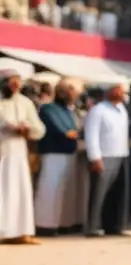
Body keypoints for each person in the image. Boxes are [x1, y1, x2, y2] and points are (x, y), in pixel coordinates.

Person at [0, 70, 46, 244]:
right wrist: (7, 127)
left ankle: (21, 232)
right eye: (12, 82)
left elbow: (39, 128)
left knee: (20, 190)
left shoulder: (25, 102)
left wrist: (28, 130)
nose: (16, 85)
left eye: (18, 82)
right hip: (3, 150)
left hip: (19, 152)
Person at [83, 81, 131, 237]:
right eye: (119, 90)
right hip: (103, 156)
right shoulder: (98, 110)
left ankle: (115, 226)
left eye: (123, 90)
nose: (122, 93)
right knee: (99, 193)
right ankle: (93, 227)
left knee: (117, 194)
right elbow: (91, 135)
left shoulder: (122, 110)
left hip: (121, 155)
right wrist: (95, 157)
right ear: (109, 91)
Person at [35, 79, 83, 236]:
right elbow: (65, 132)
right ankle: (44, 224)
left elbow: (74, 131)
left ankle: (63, 224)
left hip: (68, 154)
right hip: (53, 155)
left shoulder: (69, 111)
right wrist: (73, 134)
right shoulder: (48, 109)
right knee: (50, 190)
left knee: (65, 192)